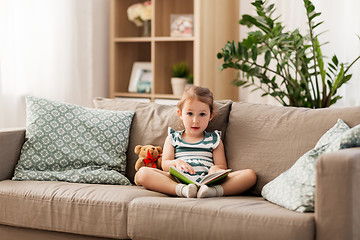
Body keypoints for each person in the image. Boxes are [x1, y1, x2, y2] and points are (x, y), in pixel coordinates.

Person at [136, 86, 256, 198]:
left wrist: (215, 168)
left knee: (250, 175)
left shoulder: (214, 140)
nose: (195, 120)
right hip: (178, 179)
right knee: (143, 173)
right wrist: (176, 163)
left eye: (202, 114)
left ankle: (211, 192)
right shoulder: (173, 138)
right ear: (180, 114)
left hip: (208, 182)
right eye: (189, 114)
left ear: (210, 116)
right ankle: (182, 190)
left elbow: (222, 166)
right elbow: (165, 164)